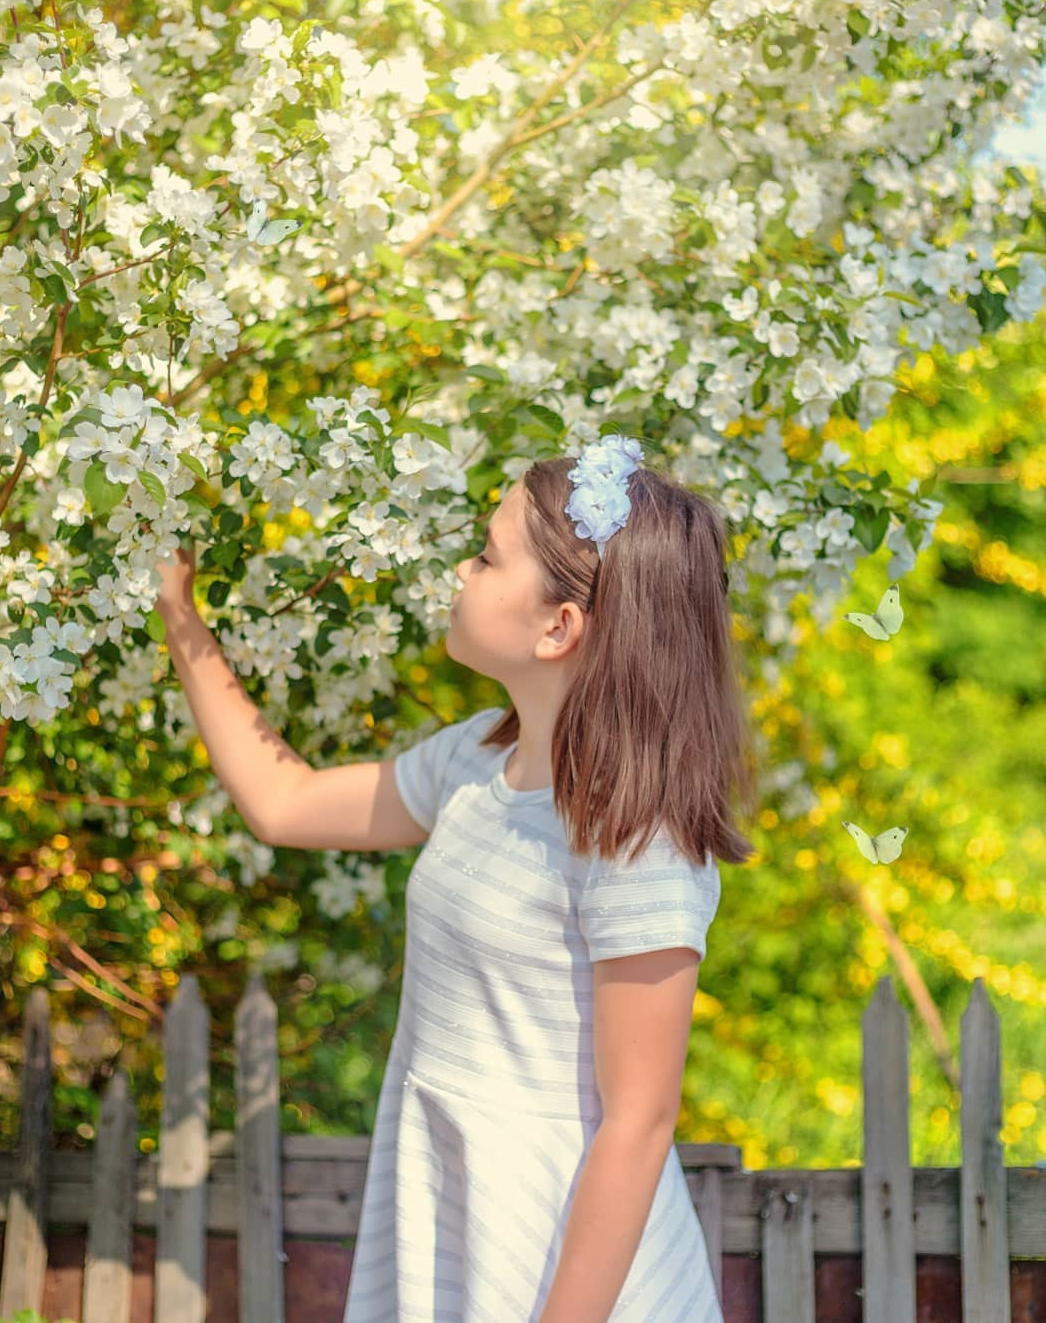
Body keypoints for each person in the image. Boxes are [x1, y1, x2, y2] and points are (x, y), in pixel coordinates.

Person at [154, 433, 757, 1322]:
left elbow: (638, 1126)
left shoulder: (640, 844)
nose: (460, 572)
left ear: (560, 626)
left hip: (566, 1264)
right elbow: (283, 803)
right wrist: (179, 612)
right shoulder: (480, 763)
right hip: (453, 1211)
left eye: (487, 556)